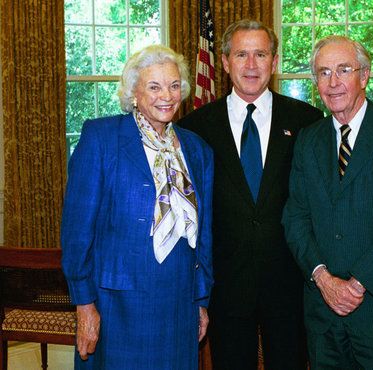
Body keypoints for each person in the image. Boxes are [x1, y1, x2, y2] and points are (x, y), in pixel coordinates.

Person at [178, 19, 323, 370]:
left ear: (274, 62)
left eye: (261, 54)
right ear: (225, 62)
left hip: (290, 282)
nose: (251, 65)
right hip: (226, 286)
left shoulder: (307, 121)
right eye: (241, 54)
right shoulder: (194, 128)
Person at [61, 44, 214, 369]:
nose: (166, 95)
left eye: (174, 85)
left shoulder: (197, 149)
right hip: (116, 305)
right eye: (154, 86)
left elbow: (205, 235)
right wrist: (84, 305)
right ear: (133, 92)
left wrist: (201, 300)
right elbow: (77, 231)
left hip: (178, 301)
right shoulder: (101, 138)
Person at [282, 35, 373, 370]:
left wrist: (356, 285)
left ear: (364, 75)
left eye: (343, 70)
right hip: (323, 312)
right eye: (323, 73)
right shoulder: (308, 139)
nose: (332, 83)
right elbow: (296, 217)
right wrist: (324, 279)